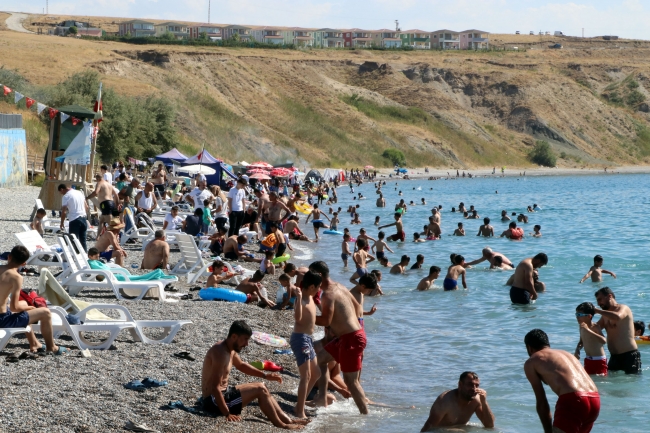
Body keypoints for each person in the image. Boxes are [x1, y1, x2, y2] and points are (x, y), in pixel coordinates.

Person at [201, 320, 306, 429]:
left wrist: (265, 375)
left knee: (263, 385)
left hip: (223, 394)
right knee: (260, 390)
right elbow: (215, 387)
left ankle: (288, 420)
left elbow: (241, 365)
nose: (247, 344)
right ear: (234, 336)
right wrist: (227, 414)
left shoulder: (229, 349)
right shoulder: (220, 353)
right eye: (245, 339)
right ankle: (282, 425)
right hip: (213, 402)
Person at [310, 261, 368, 414]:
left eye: (312, 275)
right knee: (320, 359)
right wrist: (348, 323)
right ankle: (322, 399)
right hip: (348, 337)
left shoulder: (328, 295)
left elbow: (326, 321)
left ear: (320, 275)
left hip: (351, 339)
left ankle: (365, 415)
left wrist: (306, 317)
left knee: (351, 381)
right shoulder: (339, 286)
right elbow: (358, 307)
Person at [523, 329, 600, 433]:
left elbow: (542, 402)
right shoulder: (566, 354)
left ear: (529, 348)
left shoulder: (532, 361)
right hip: (595, 399)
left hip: (573, 400)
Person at [0, 246, 66, 355]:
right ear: (24, 263)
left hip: (3, 313)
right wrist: (31, 307)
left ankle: (34, 343)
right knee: (45, 313)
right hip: (3, 320)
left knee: (24, 305)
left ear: (9, 257)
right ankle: (52, 348)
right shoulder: (16, 277)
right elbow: (14, 307)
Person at [291, 271, 322, 419]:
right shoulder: (301, 299)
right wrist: (297, 297)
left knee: (316, 373)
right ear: (311, 287)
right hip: (300, 339)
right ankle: (299, 411)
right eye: (318, 287)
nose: (319, 290)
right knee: (306, 375)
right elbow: (298, 318)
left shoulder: (310, 297)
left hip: (308, 338)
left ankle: (299, 404)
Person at [420, 371, 494, 431]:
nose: (474, 389)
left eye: (477, 385)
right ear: (460, 385)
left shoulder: (477, 400)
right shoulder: (445, 401)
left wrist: (484, 402)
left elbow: (489, 426)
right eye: (470, 384)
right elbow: (427, 430)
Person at [593, 287, 641, 374]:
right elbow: (595, 328)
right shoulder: (605, 315)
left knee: (631, 384)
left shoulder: (623, 308)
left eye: (600, 299)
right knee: (612, 385)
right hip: (614, 357)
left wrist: (597, 311)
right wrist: (585, 320)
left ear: (609, 296)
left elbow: (617, 317)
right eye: (597, 301)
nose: (599, 303)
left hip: (629, 355)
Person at [573, 302, 608, 376]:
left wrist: (588, 330)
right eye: (576, 314)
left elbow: (604, 341)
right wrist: (577, 349)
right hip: (588, 360)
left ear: (589, 316)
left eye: (580, 315)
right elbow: (581, 341)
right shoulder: (581, 326)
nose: (577, 317)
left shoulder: (595, 327)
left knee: (601, 382)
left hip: (599, 360)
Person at [58, 183, 89, 252]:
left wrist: (62, 223)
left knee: (73, 240)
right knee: (83, 241)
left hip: (74, 219)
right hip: (83, 218)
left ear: (62, 189)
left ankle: (76, 258)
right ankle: (85, 258)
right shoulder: (79, 192)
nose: (62, 194)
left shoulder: (66, 196)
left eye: (61, 192)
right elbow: (86, 207)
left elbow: (64, 212)